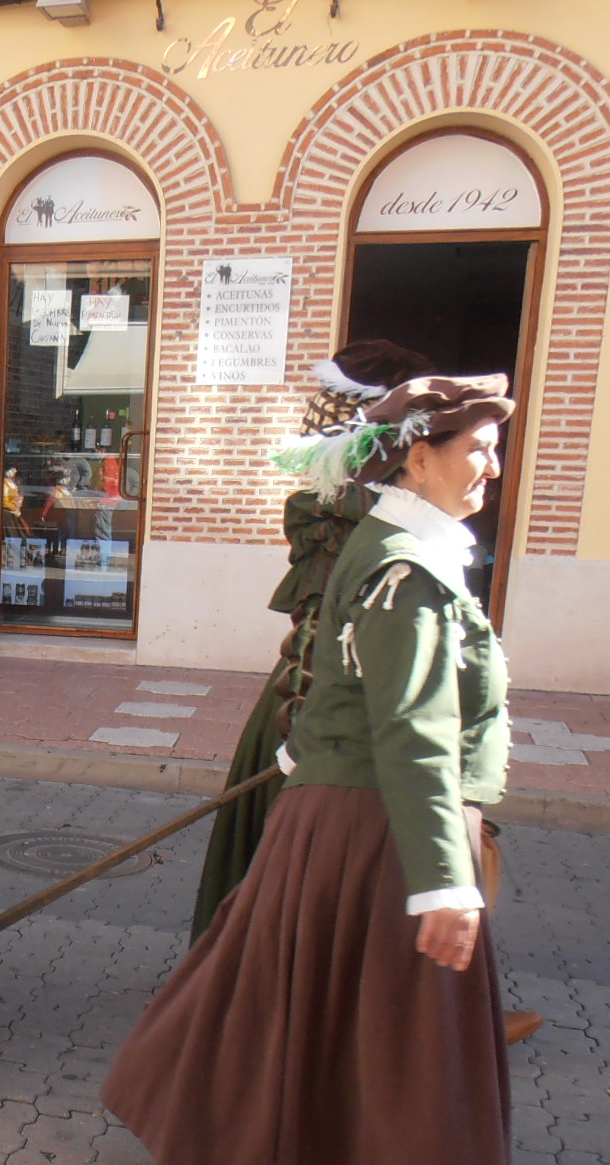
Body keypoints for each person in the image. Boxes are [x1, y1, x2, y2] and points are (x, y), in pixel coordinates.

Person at [102, 375, 519, 1165]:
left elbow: (346, 681)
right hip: (381, 823)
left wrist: (301, 759)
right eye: (475, 448)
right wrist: (445, 878)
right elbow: (410, 731)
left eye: (494, 447)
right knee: (402, 1020)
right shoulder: (406, 571)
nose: (491, 465)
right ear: (417, 456)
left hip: (361, 811)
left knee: (324, 997)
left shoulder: (407, 553)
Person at [190, 341, 431, 937]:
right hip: (325, 713)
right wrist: (307, 740)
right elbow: (323, 643)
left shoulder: (358, 513)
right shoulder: (360, 522)